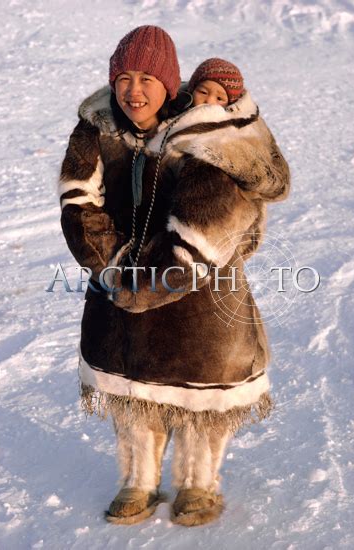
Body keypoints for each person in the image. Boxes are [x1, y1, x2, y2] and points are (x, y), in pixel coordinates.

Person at [59, 25, 290, 527]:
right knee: (131, 389)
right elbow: (79, 204)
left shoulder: (206, 134)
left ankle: (198, 484)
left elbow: (204, 230)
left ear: (168, 82)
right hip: (118, 287)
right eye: (123, 77)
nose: (133, 90)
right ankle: (138, 481)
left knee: (200, 396)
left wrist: (151, 284)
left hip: (200, 296)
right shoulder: (96, 131)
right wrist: (117, 272)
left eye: (146, 77)